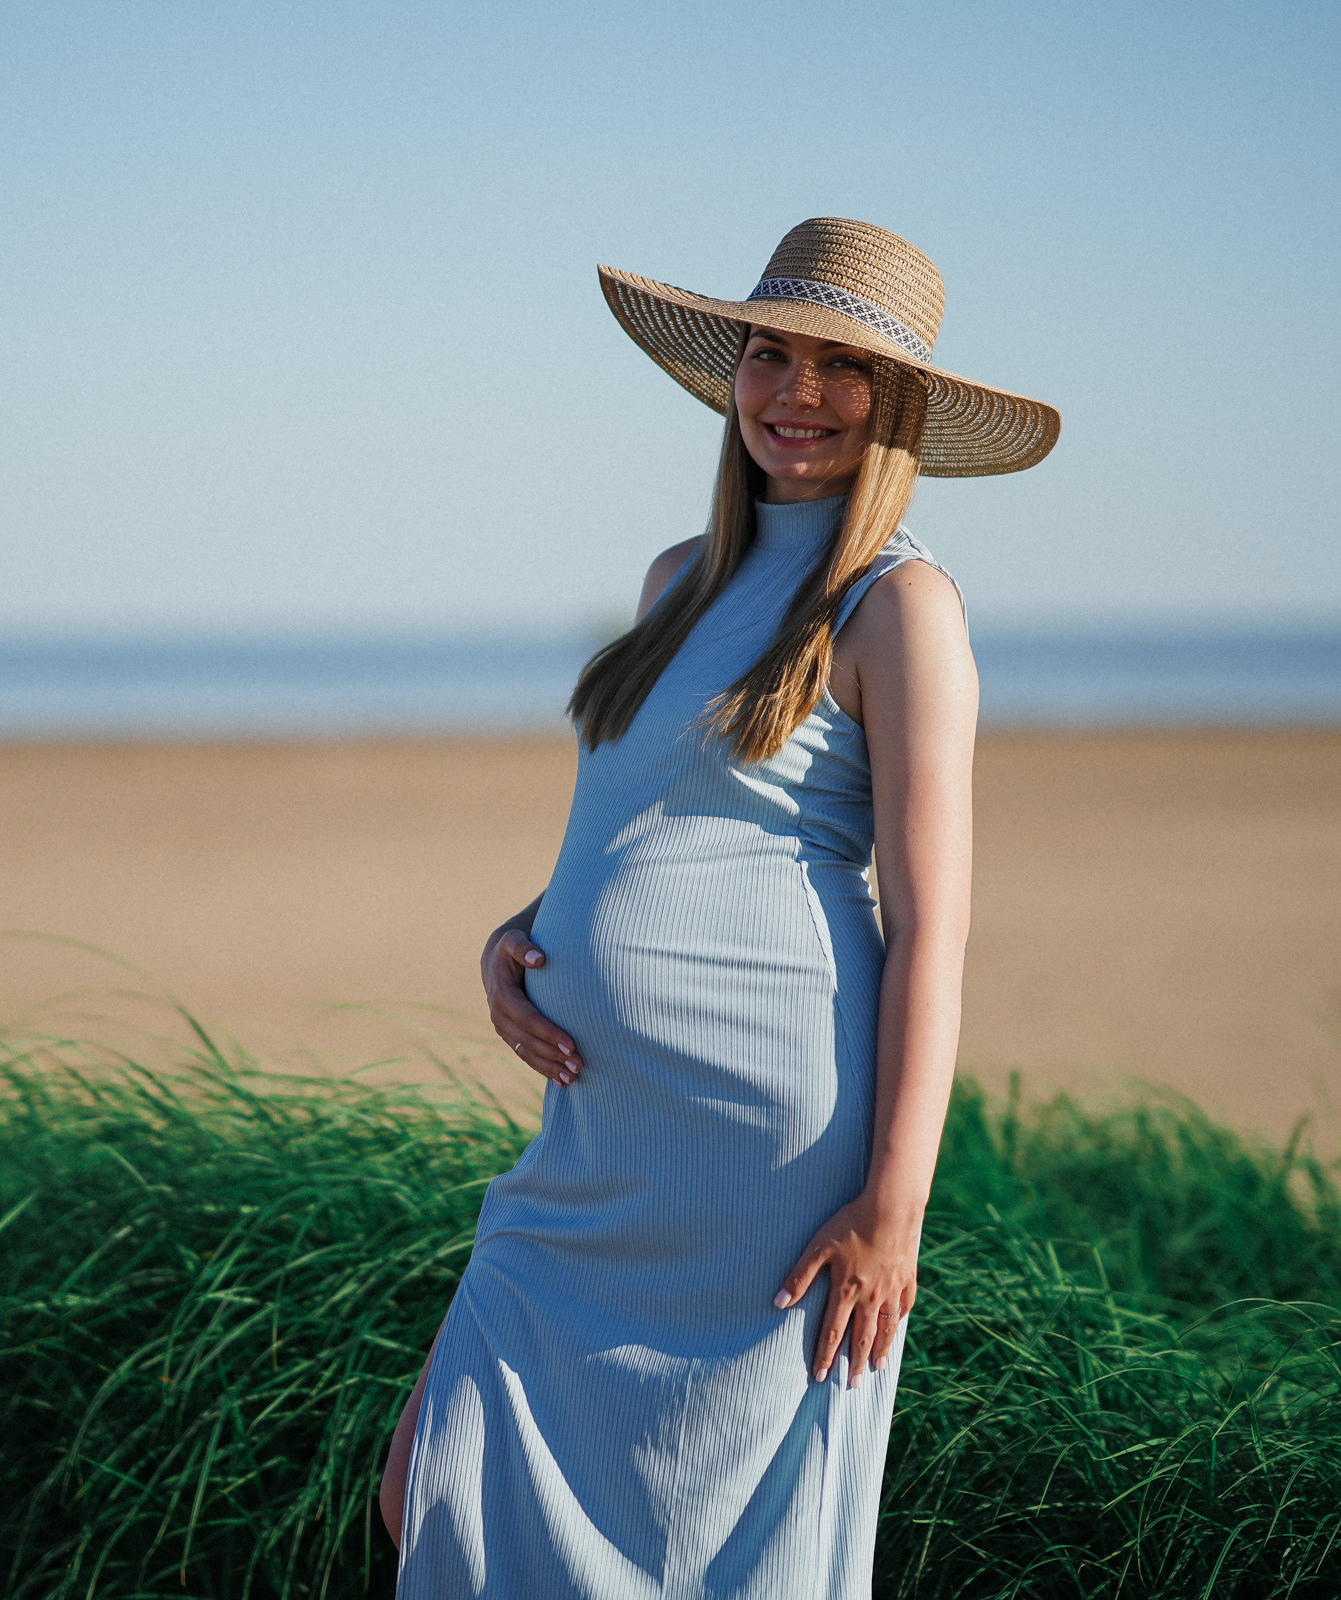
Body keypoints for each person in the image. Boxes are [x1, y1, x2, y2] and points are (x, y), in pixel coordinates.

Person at [377, 217, 1060, 1596]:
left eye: (839, 367)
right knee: (431, 1475)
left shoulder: (899, 607)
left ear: (900, 402)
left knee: (724, 1532)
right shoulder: (673, 582)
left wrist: (895, 1206)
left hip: (769, 1162)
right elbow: (652, 817)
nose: (795, 391)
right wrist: (526, 935)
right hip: (596, 1154)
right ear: (731, 374)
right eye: (770, 353)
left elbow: (933, 921)